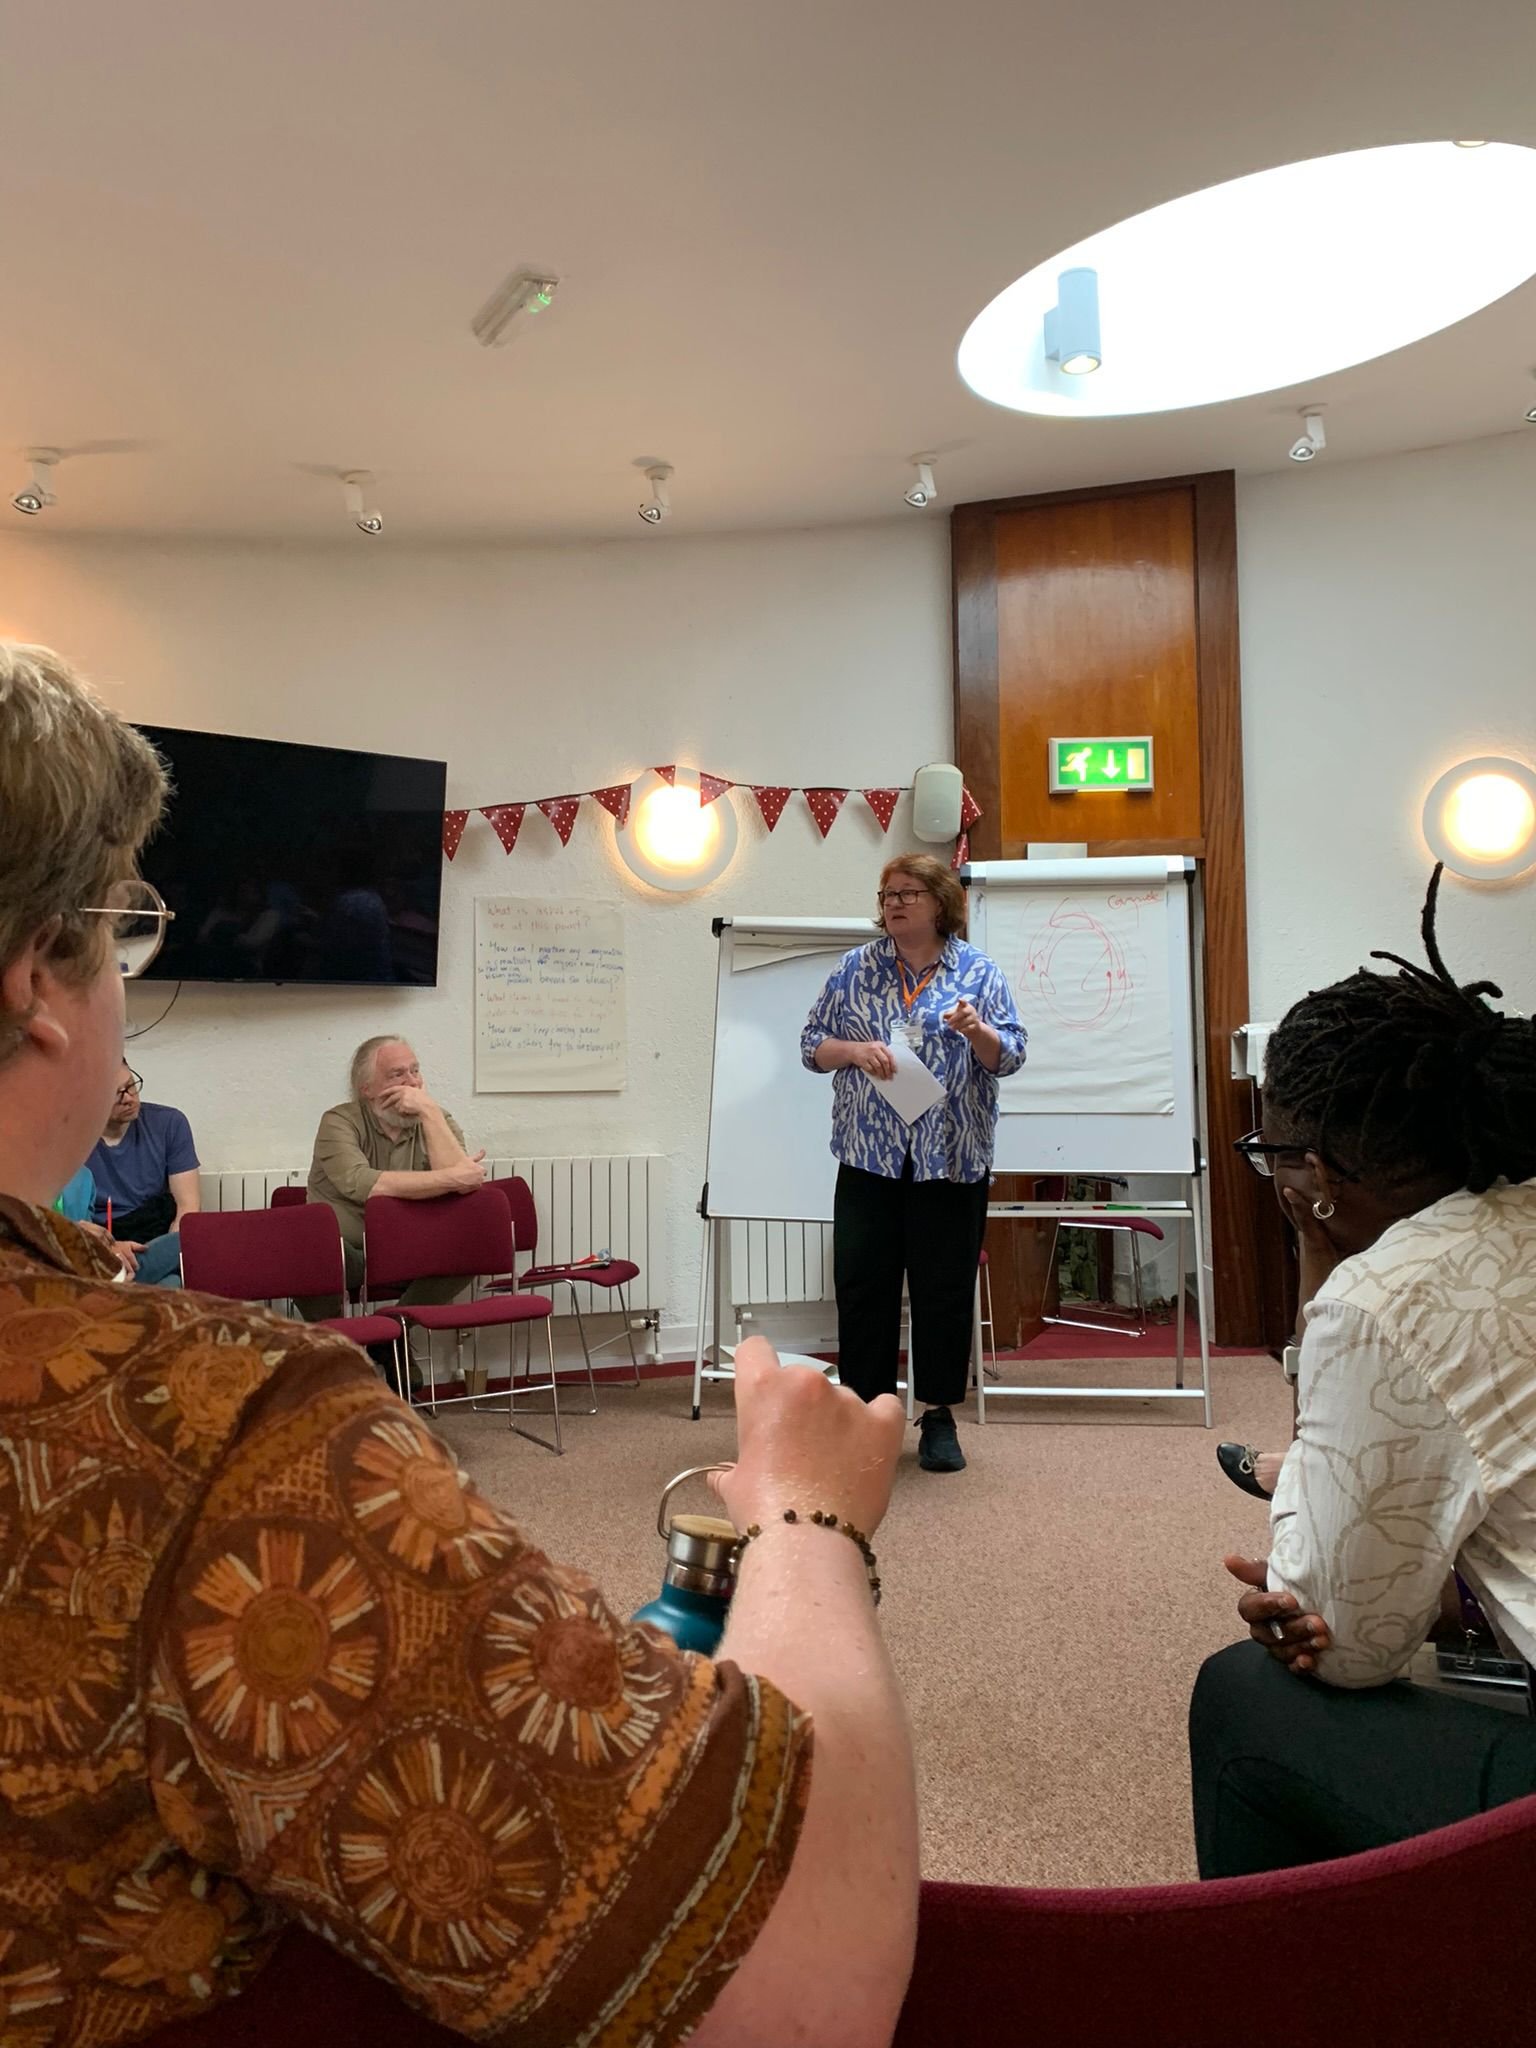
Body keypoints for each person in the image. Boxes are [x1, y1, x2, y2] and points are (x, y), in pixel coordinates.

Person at [0, 635, 919, 2046]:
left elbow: (460, 1181)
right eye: (121, 933)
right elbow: (793, 1982)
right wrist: (806, 1516)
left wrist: (429, 1122)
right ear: (37, 981)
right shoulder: (213, 1442)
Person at [1189, 867, 1536, 1877]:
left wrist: (1319, 1258)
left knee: (1246, 1699)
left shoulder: (1383, 1296)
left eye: (1272, 1153)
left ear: (1318, 1175)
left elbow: (1345, 1645)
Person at [802, 851, 1027, 1474]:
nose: (895, 904)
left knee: (942, 1290)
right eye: (888, 894)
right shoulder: (855, 968)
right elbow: (810, 1046)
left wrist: (977, 1030)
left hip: (951, 1159)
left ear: (939, 902)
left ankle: (938, 1417)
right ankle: (867, 1414)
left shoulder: (978, 971)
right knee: (864, 1287)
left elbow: (1009, 1056)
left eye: (908, 893)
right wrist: (853, 1049)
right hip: (869, 1156)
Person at [297, 1037, 485, 1334]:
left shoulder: (437, 1119)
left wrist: (429, 1112)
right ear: (367, 1088)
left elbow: (463, 1188)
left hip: (412, 1248)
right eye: (397, 1074)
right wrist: (450, 1179)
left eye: (415, 1071)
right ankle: (339, 1347)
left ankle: (395, 1333)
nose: (411, 1083)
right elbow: (363, 1184)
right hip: (349, 1254)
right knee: (310, 1251)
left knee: (474, 1246)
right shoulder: (339, 1121)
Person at [86, 1057, 200, 1285]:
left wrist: (169, 1248)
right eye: (116, 1094)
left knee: (192, 1241)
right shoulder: (72, 1138)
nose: (128, 1098)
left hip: (154, 1237)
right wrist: (110, 1248)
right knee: (170, 1286)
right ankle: (120, 1277)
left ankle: (120, 1280)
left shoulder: (169, 1123)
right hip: (104, 1243)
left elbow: (188, 1207)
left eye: (131, 1086)